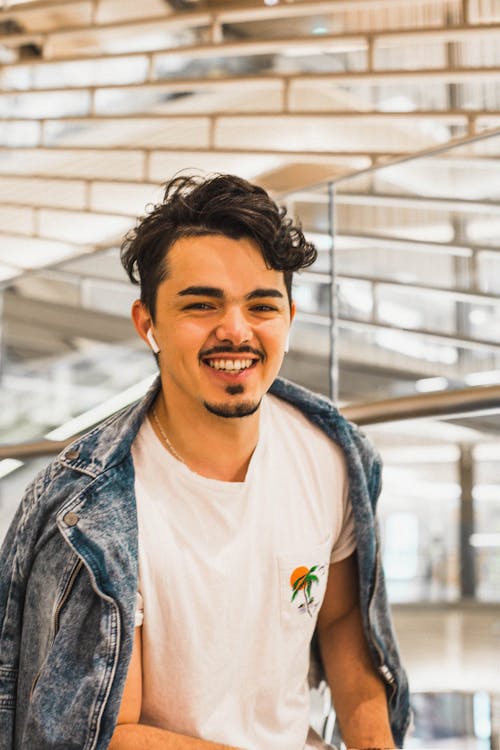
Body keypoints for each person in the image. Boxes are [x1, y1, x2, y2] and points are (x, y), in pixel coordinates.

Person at [0, 174, 409, 750]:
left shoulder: (332, 455)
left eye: (261, 305)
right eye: (202, 305)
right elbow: (103, 735)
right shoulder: (88, 514)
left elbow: (342, 622)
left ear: (289, 318)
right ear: (149, 325)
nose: (236, 331)